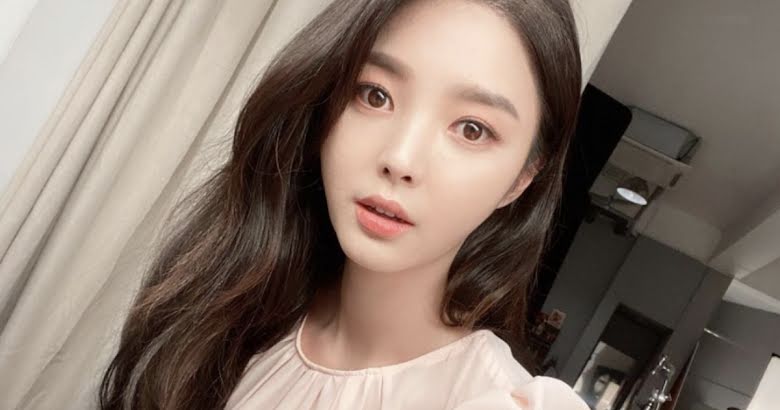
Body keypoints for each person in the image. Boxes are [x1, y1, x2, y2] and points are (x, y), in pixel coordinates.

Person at [98, 0, 587, 409]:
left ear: (520, 179)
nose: (400, 158)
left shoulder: (496, 401)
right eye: (374, 95)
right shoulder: (230, 314)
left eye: (472, 129)